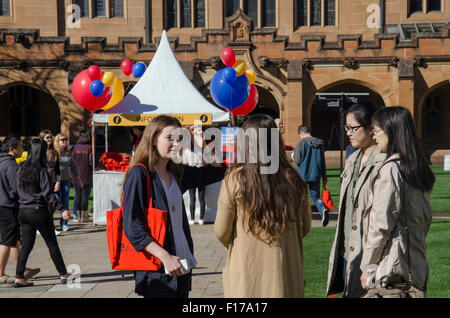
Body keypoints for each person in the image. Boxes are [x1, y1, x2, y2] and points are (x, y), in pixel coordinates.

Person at [121, 115, 226, 298]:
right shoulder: (140, 173)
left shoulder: (177, 172)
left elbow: (217, 171)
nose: (176, 143)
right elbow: (132, 227)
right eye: (170, 138)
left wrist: (202, 143)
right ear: (153, 140)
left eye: (180, 138)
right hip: (157, 269)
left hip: (182, 264)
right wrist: (164, 256)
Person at [215, 114, 311, 298]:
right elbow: (305, 227)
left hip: (247, 270)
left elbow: (221, 230)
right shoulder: (294, 178)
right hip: (285, 270)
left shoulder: (234, 179)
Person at [360, 106, 435, 298]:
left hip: (390, 272)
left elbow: (380, 225)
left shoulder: (391, 170)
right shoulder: (416, 169)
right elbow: (424, 221)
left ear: (391, 131)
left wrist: (367, 268)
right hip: (416, 269)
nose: (374, 137)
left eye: (376, 131)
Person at [325, 102, 385, 298]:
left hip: (370, 253)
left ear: (371, 128)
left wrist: (372, 260)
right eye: (346, 128)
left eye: (353, 128)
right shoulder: (352, 160)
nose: (348, 133)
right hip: (347, 252)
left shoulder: (384, 162)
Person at [15, 139, 70, 287]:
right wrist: (62, 208)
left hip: (23, 211)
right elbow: (48, 193)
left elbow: (17, 190)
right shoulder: (42, 169)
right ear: (41, 152)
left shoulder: (21, 168)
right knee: (52, 244)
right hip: (38, 210)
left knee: (26, 245)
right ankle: (63, 274)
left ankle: (19, 276)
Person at [0, 134, 40, 285]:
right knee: (7, 240)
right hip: (8, 206)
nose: (23, 149)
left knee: (14, 239)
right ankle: (1, 274)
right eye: (20, 147)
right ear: (12, 149)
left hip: (4, 204)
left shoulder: (2, 161)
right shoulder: (10, 165)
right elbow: (16, 187)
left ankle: (21, 269)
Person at [293, 125, 329, 226]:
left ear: (301, 133)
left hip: (302, 174)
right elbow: (322, 162)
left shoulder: (301, 143)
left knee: (301, 197)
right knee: (315, 197)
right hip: (316, 174)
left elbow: (297, 160)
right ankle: (323, 209)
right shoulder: (320, 144)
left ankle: (300, 218)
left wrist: (293, 157)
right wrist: (324, 175)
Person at [54, 133, 80, 231]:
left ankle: (64, 223)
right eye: (62, 140)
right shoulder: (54, 152)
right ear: (57, 141)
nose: (65, 141)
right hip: (55, 181)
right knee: (55, 202)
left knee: (65, 202)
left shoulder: (68, 152)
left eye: (66, 139)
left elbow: (73, 166)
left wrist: (78, 178)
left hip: (66, 180)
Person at [182, 125, 206, 225]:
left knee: (196, 198)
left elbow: (185, 163)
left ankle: (194, 218)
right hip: (199, 174)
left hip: (195, 175)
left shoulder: (189, 150)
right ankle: (198, 218)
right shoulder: (198, 150)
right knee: (199, 198)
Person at [39, 130, 61, 236]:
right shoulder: (39, 152)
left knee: (52, 206)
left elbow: (57, 169)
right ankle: (43, 227)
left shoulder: (54, 152)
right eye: (47, 137)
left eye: (50, 137)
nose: (49, 139)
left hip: (52, 181)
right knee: (44, 206)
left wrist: (58, 182)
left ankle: (49, 227)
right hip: (42, 182)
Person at [72, 130, 93, 223]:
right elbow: (91, 161)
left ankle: (78, 215)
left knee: (78, 195)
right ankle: (84, 217)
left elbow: (71, 161)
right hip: (86, 175)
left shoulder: (75, 148)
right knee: (85, 196)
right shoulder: (89, 148)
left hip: (76, 175)